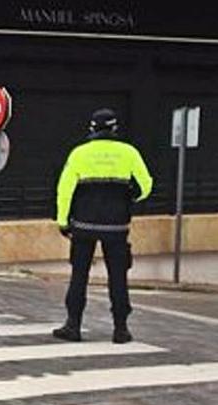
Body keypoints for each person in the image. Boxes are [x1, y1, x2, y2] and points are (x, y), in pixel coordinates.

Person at [53, 108, 153, 344]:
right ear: (114, 128)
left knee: (79, 275)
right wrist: (129, 198)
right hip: (116, 226)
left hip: (84, 224)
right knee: (118, 277)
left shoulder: (79, 154)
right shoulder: (129, 152)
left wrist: (63, 221)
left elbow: (64, 190)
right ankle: (121, 330)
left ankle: (73, 326)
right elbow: (146, 185)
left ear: (92, 129)